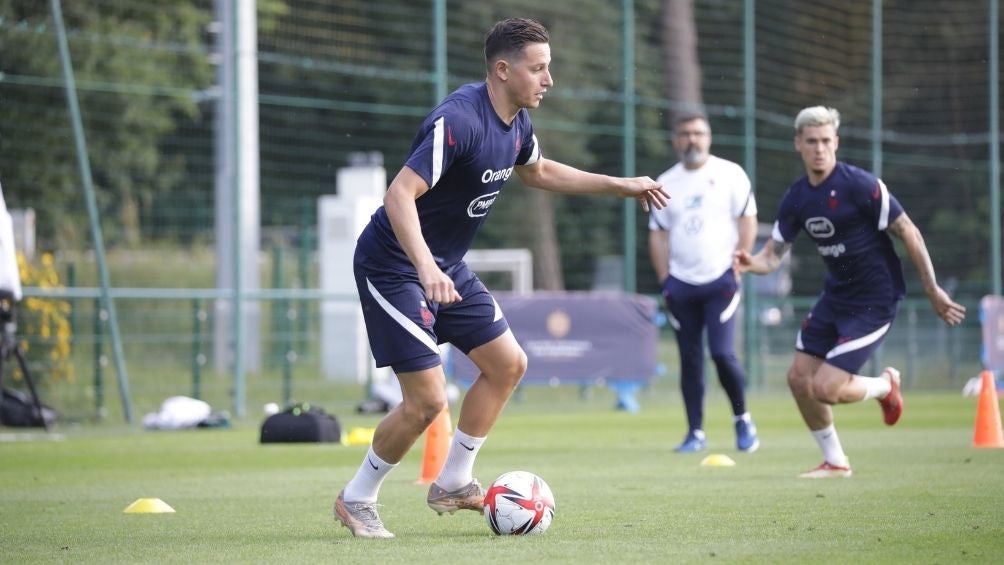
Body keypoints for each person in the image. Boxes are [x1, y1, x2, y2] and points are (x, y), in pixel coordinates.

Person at [334, 17, 669, 538]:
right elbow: (399, 194)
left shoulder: (516, 125)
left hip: (445, 266)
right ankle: (358, 498)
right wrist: (424, 268)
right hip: (394, 264)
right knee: (426, 402)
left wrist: (619, 185)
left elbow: (538, 172)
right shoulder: (459, 120)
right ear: (503, 69)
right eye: (539, 69)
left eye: (549, 68)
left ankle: (453, 481)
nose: (549, 80)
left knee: (508, 363)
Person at [734, 106, 966, 478]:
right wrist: (749, 262)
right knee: (798, 379)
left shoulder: (859, 185)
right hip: (836, 297)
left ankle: (884, 386)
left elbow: (909, 231)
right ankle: (836, 461)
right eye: (811, 142)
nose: (819, 149)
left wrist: (932, 288)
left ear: (836, 142)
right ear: (799, 144)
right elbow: (772, 256)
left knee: (825, 388)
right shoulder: (797, 198)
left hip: (875, 300)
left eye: (826, 141)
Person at [647, 112, 760, 454]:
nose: (692, 139)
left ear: (709, 137)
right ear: (675, 140)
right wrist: (666, 280)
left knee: (723, 354)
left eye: (698, 133)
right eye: (685, 134)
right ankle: (695, 432)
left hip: (721, 281)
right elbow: (658, 235)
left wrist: (741, 260)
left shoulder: (730, 174)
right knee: (690, 359)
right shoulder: (665, 182)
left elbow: (748, 220)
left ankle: (743, 420)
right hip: (681, 285)